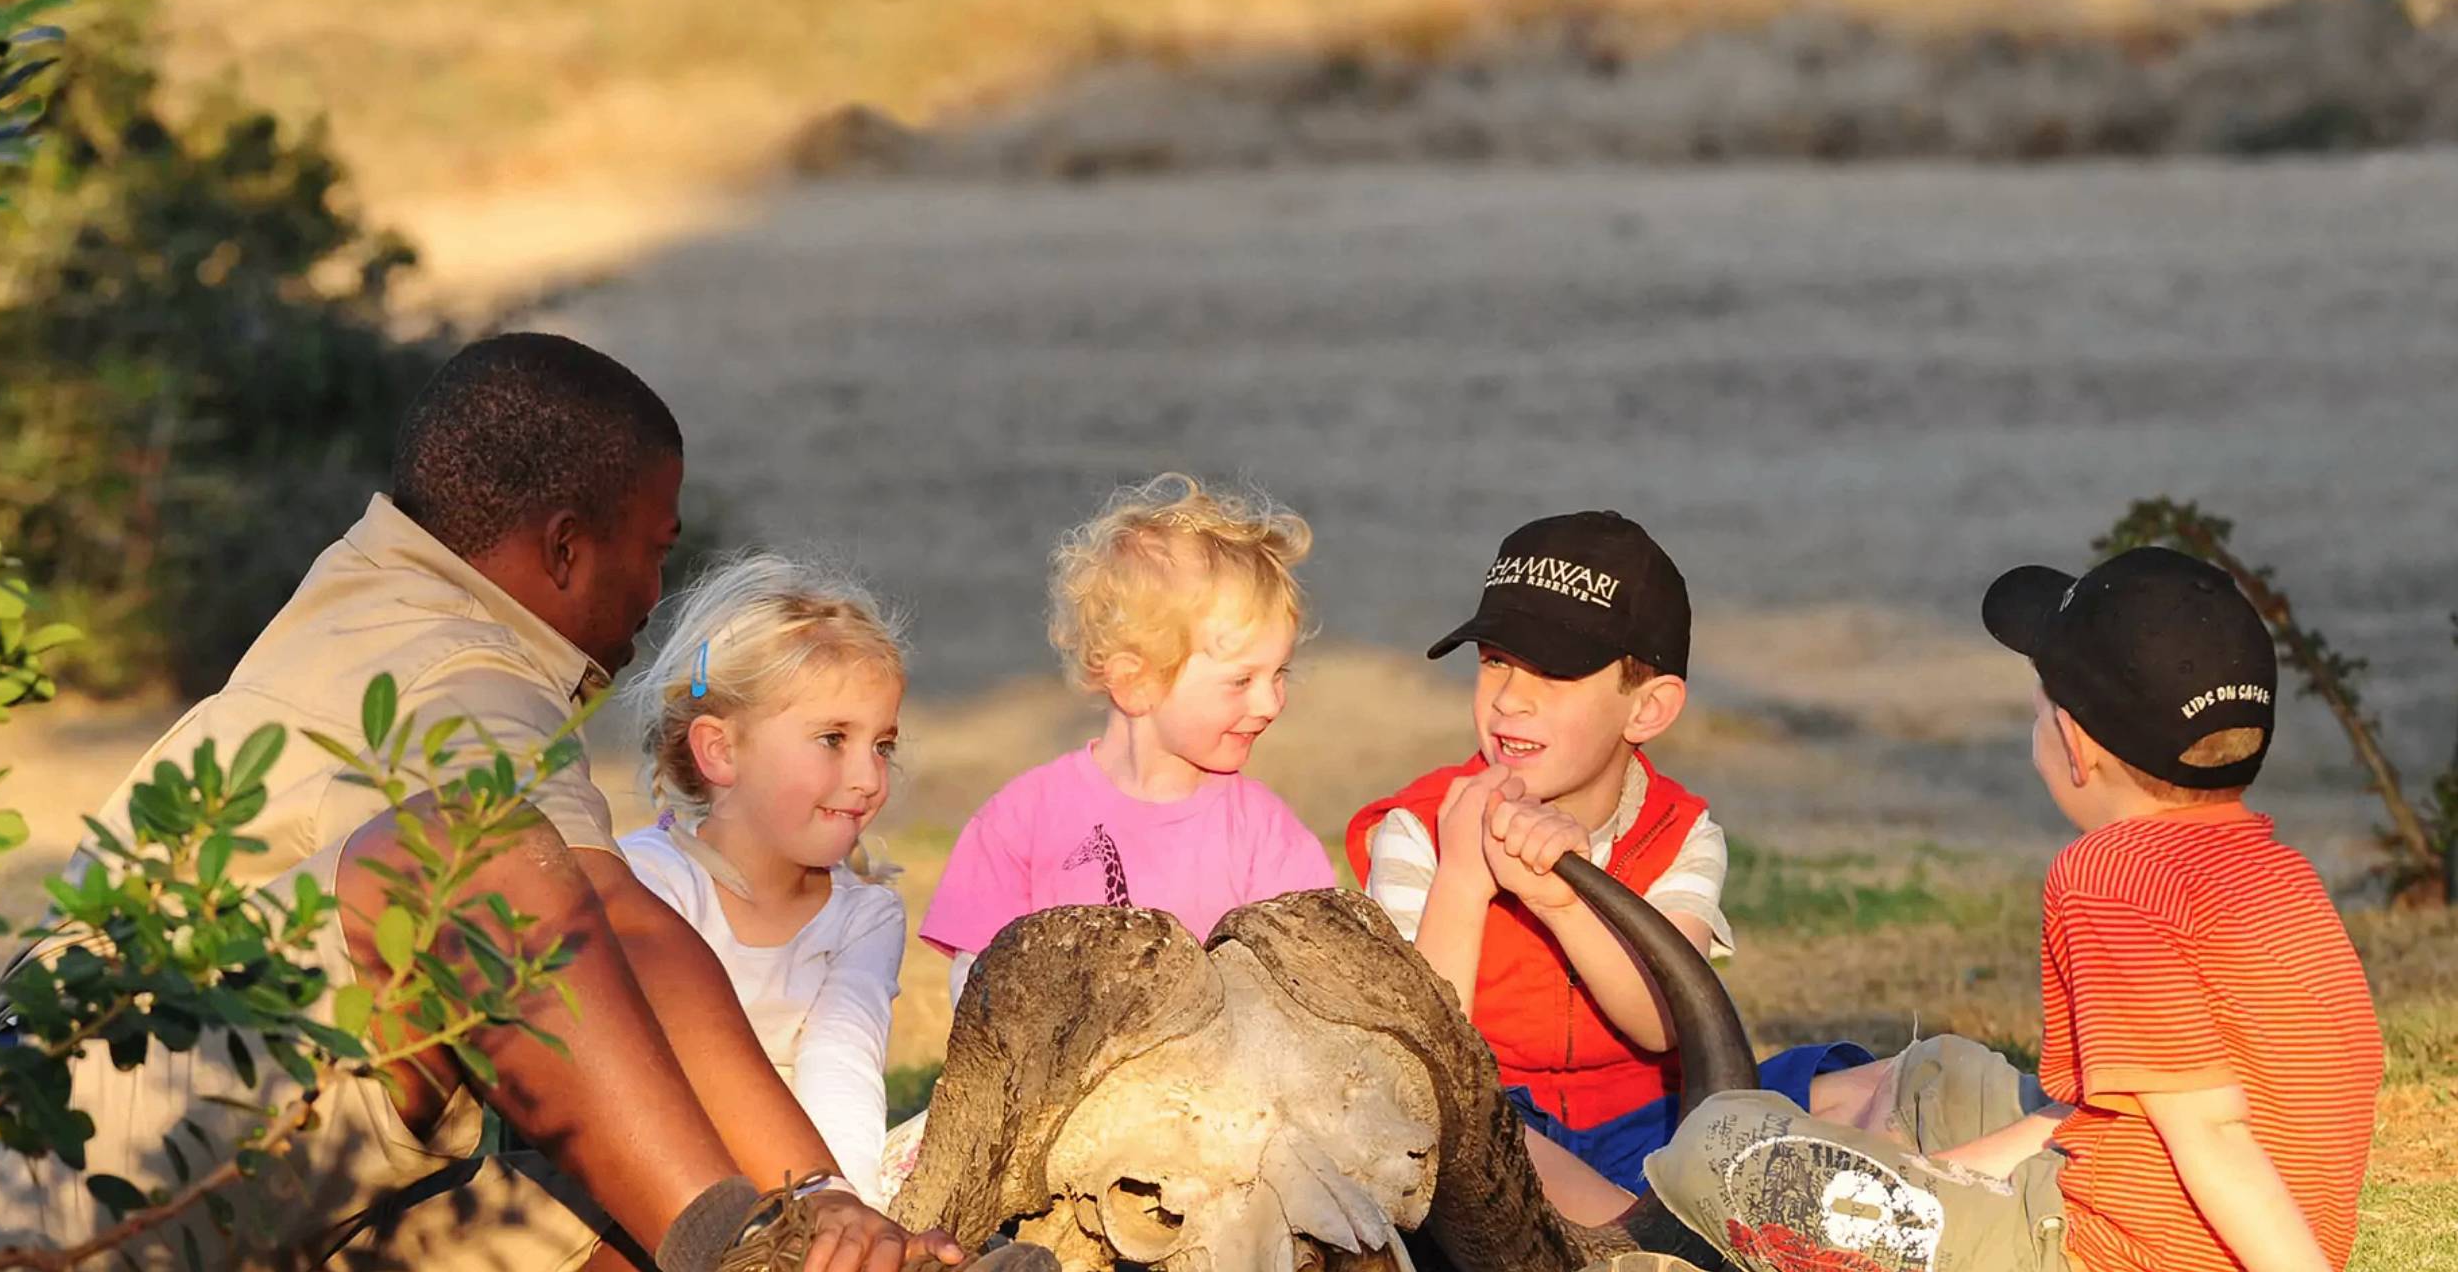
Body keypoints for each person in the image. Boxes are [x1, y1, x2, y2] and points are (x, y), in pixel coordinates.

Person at [0, 334, 959, 1272]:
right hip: (70, 1164)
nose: (656, 593)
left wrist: (836, 1216)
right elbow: (629, 931)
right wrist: (803, 1201)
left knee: (615, 1187)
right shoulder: (455, 661)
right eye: (653, 548)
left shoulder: (397, 594)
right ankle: (750, 1256)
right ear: (565, 551)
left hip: (231, 1175)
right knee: (477, 855)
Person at [1644, 545, 2386, 1272]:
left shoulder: (2109, 874)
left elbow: (2212, 1132)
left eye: (2040, 705)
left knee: (1716, 1147)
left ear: (2072, 744)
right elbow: (2139, 1110)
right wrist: (1950, 1171)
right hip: (2190, 1209)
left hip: (2099, 1250)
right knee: (1936, 1072)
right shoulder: (2276, 868)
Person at [1346, 511, 1881, 1223]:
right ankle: (1653, 1244)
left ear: (1649, 709)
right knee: (1475, 1136)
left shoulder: (1682, 831)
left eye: (1554, 672)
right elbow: (1421, 1067)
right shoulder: (1419, 830)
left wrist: (1564, 901)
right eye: (1495, 660)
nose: (1510, 697)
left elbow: (1669, 1022)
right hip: (1506, 1131)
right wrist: (1465, 882)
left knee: (1874, 1086)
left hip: (1660, 1117)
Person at [918, 473, 1335, 1002]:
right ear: (1134, 681)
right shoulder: (1020, 824)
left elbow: (1313, 992)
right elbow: (978, 997)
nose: (1270, 703)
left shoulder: (1269, 840)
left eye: (1280, 674)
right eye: (1241, 681)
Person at [616, 554, 910, 1199]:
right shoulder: (644, 881)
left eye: (882, 745)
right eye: (833, 738)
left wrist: (838, 1207)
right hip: (656, 1180)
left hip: (804, 1186)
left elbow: (843, 1064)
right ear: (720, 750)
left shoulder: (866, 916)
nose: (868, 778)